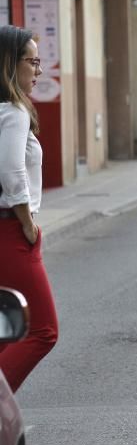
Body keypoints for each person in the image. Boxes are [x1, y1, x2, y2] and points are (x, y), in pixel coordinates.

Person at [0, 25, 58, 393]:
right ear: (10, 63)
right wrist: (27, 223)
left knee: (7, 333)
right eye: (32, 62)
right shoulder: (14, 111)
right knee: (42, 330)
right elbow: (11, 170)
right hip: (10, 230)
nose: (38, 70)